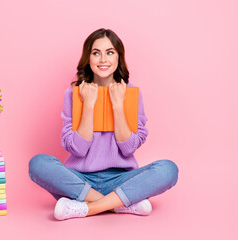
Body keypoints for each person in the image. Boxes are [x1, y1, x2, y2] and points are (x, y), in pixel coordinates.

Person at [29, 28, 178, 221]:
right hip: (79, 180)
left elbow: (129, 148)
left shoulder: (131, 93)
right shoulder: (73, 94)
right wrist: (88, 105)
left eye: (110, 52)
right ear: (88, 59)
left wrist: (117, 105)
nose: (103, 60)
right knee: (38, 164)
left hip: (121, 180)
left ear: (118, 58)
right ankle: (119, 205)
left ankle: (87, 208)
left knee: (168, 169)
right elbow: (78, 150)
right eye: (96, 53)